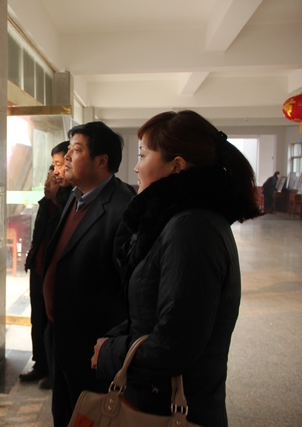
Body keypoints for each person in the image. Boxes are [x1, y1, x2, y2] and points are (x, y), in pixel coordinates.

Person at [91, 110, 262, 427]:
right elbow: (152, 312)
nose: (136, 167)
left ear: (177, 166)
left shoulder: (191, 229)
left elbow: (176, 345)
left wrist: (111, 353)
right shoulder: (175, 221)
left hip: (173, 408)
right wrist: (113, 339)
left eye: (143, 155)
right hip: (155, 398)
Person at [42, 122, 135, 427]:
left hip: (91, 343)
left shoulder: (123, 207)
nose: (67, 156)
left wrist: (110, 343)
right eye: (68, 149)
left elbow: (129, 286)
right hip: (60, 332)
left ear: (101, 160)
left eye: (76, 149)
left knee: (89, 414)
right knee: (64, 410)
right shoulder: (76, 195)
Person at [21, 166, 58, 389]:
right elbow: (37, 239)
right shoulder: (45, 206)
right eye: (47, 178)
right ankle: (40, 364)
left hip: (53, 274)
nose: (46, 184)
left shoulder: (66, 208)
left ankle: (53, 370)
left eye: (52, 180)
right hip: (37, 270)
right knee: (37, 320)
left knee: (52, 323)